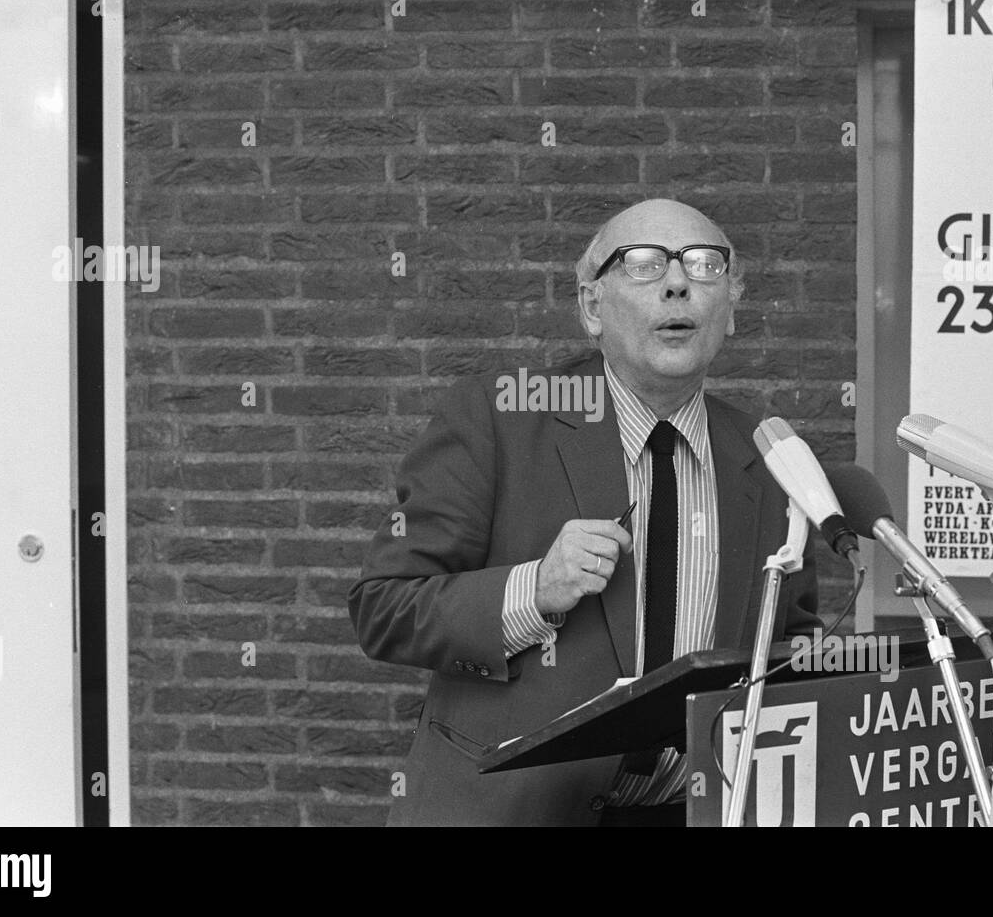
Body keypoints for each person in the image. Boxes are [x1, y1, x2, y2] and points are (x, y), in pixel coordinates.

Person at [348, 198, 821, 826]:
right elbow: (383, 609)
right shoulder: (498, 418)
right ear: (592, 307)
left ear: (730, 309)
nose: (679, 283)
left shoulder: (770, 456)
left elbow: (789, 646)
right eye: (645, 265)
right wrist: (533, 590)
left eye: (705, 266)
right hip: (514, 809)